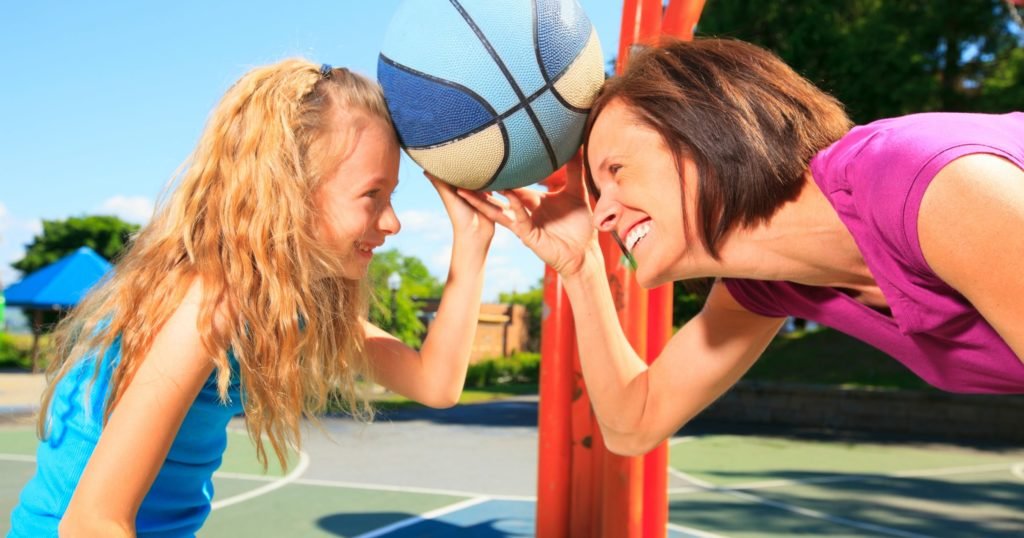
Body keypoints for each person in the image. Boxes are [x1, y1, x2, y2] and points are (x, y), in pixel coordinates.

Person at [459, 38, 1024, 456]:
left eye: (617, 170)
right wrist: (580, 266)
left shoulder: (927, 184)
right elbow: (633, 422)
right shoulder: (767, 280)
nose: (602, 212)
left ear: (706, 131)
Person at [9, 59, 494, 536]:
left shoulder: (293, 306)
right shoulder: (210, 304)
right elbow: (90, 522)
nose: (392, 223)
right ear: (291, 192)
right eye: (373, 195)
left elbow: (436, 383)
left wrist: (470, 246)